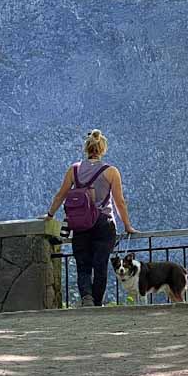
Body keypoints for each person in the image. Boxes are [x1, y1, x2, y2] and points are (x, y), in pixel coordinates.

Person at [43, 130, 135, 306]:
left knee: (83, 265)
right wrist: (127, 225)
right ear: (102, 149)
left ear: (86, 148)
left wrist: (49, 215)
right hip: (104, 224)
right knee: (100, 266)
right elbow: (119, 202)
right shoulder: (111, 171)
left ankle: (87, 298)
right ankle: (97, 304)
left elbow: (60, 195)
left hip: (80, 224)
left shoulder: (74, 169)